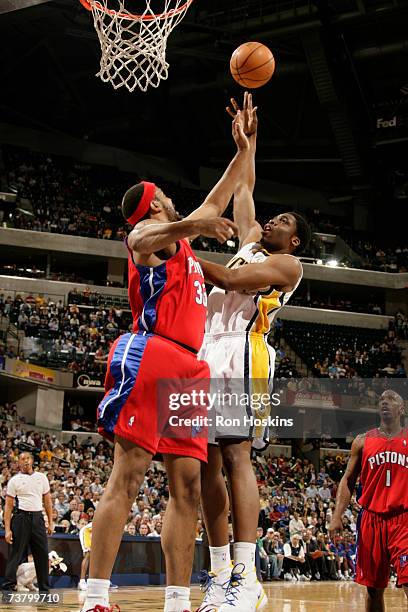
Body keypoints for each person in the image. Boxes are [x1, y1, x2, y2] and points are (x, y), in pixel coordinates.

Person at [81, 111, 252, 612]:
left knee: (188, 486)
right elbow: (140, 239)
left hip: (191, 368)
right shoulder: (148, 240)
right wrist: (193, 222)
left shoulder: (182, 240)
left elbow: (218, 199)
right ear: (156, 202)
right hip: (150, 352)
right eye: (168, 203)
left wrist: (243, 151)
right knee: (129, 475)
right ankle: (95, 598)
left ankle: (177, 601)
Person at [197, 93, 311, 611]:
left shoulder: (288, 268)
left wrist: (174, 239)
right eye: (275, 217)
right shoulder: (249, 238)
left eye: (284, 220)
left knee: (237, 458)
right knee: (204, 464)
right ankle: (220, 574)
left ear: (295, 241)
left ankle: (247, 571)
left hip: (245, 356)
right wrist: (248, 143)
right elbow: (244, 189)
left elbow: (225, 276)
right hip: (206, 350)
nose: (273, 221)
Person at [330, 389, 408, 611]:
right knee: (373, 589)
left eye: (391, 399)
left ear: (401, 408)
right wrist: (337, 517)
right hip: (371, 520)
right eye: (382, 400)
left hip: (403, 520)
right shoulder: (362, 442)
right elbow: (347, 480)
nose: (385, 402)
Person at [1, 452, 53, 594]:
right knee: (16, 553)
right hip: (20, 518)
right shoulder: (14, 480)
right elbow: (9, 507)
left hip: (38, 518)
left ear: (32, 461)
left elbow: (47, 501)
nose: (25, 461)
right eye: (22, 459)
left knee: (42, 553)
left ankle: (44, 588)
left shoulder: (42, 478)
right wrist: (7, 529)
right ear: (18, 463)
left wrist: (51, 521)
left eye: (28, 458)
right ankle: (8, 586)